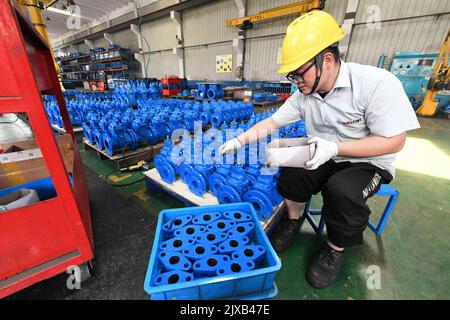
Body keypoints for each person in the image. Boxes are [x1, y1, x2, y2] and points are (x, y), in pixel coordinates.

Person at [219, 10, 420, 289]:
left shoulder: (376, 84)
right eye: (293, 75)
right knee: (287, 164)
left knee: (341, 191)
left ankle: (334, 249)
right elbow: (271, 122)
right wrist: (240, 140)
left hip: (368, 161)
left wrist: (336, 147)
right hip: (323, 152)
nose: (296, 82)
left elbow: (395, 141)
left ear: (326, 60)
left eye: (299, 74)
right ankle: (292, 220)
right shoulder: (305, 94)